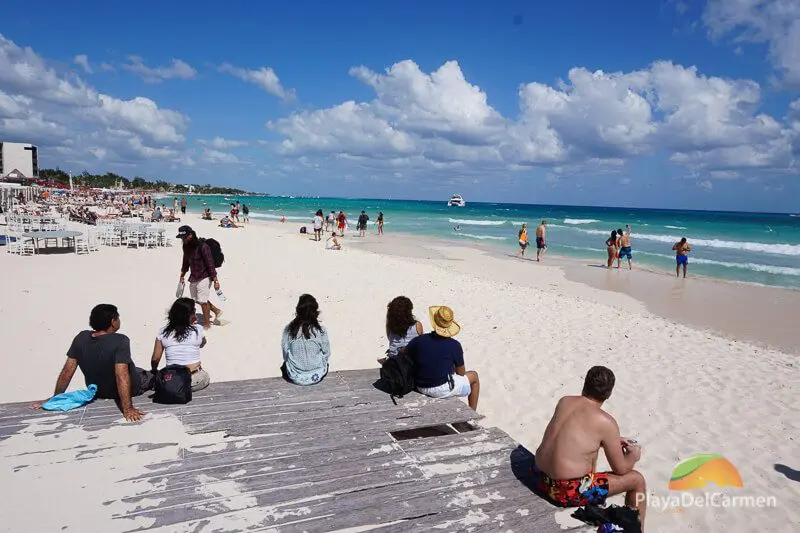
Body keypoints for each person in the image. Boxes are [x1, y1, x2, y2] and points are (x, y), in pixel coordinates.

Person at [533, 366, 646, 529]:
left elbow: (575, 435)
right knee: (637, 479)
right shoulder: (606, 422)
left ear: (585, 384)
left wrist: (610, 440)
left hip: (539, 476)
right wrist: (633, 456)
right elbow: (621, 469)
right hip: (564, 491)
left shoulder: (564, 401)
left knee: (589, 457)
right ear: (609, 394)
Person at [32, 304, 154, 422]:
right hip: (132, 388)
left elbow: (67, 371)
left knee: (135, 368)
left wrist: (55, 398)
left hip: (99, 391)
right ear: (113, 322)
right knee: (152, 376)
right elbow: (121, 375)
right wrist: (128, 409)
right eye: (118, 318)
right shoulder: (120, 340)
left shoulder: (81, 337)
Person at [405, 306, 480, 411]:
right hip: (440, 389)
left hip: (420, 385)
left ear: (435, 322)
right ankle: (472, 414)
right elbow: (461, 374)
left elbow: (405, 353)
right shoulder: (454, 345)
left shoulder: (419, 340)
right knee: (474, 376)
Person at [150, 298, 210, 392]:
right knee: (205, 376)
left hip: (173, 380)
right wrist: (194, 325)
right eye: (193, 311)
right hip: (194, 379)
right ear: (189, 315)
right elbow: (202, 343)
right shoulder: (198, 329)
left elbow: (155, 359)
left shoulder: (163, 332)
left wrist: (154, 370)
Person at [177, 225, 223, 329]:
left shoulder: (203, 247)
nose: (182, 240)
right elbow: (185, 262)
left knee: (202, 301)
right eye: (181, 238)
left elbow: (210, 264)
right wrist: (182, 275)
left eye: (183, 237)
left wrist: (215, 281)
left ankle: (207, 325)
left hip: (205, 276)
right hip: (194, 276)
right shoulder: (185, 246)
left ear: (190, 235)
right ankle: (216, 310)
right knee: (196, 299)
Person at [281, 294, 331, 385]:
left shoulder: (289, 329)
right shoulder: (321, 330)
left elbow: (285, 352)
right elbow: (326, 353)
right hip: (317, 375)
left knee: (284, 366)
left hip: (295, 376)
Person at [379, 296, 424, 364]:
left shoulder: (390, 325)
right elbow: (420, 343)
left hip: (394, 363)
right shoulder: (417, 325)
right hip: (412, 363)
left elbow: (389, 339)